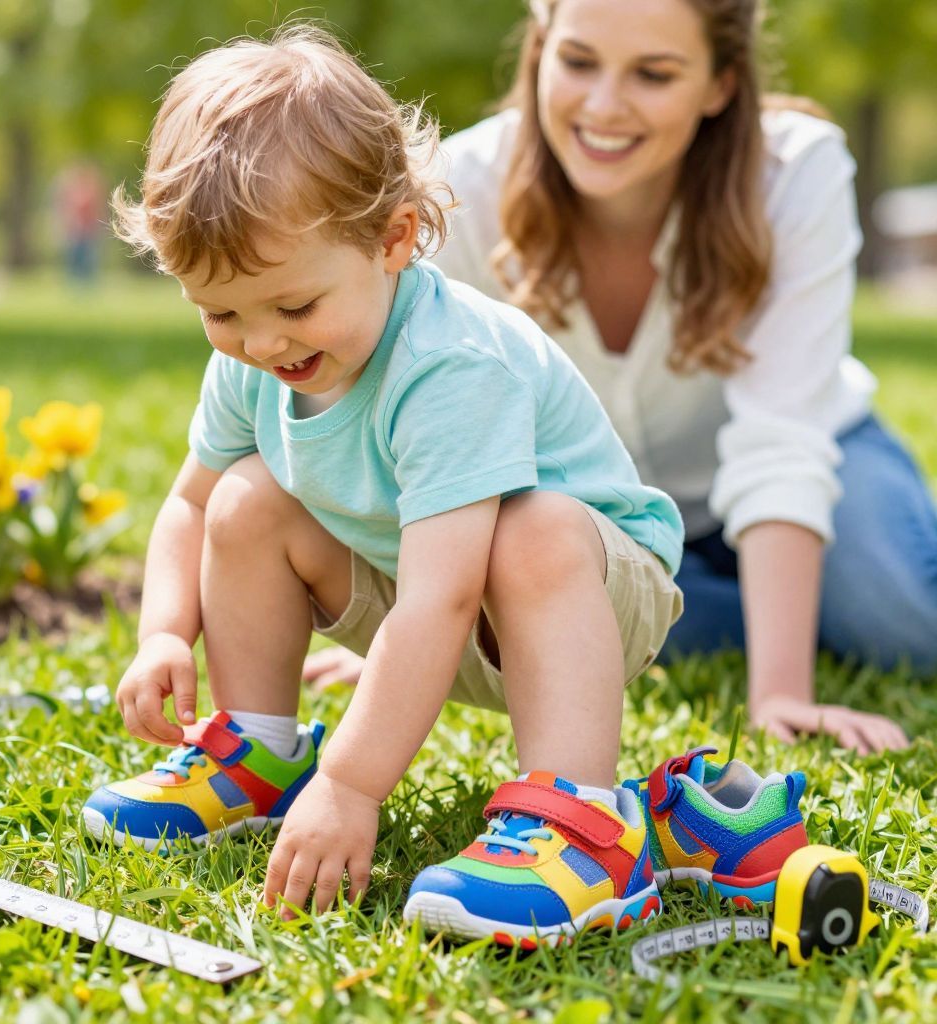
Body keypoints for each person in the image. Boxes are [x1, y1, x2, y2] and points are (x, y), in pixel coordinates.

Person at [81, 28, 686, 941]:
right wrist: (163, 631)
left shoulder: (448, 368)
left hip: (582, 597)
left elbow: (444, 600)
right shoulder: (257, 353)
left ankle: (579, 825)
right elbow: (192, 504)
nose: (263, 341)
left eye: (294, 306)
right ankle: (259, 757)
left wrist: (355, 786)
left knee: (531, 529)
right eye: (221, 312)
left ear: (395, 238)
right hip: (419, 583)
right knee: (247, 496)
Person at [306, 0, 927, 755]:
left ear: (721, 84)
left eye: (654, 74)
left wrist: (781, 694)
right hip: (611, 517)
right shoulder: (456, 185)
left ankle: (800, 611)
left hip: (811, 462)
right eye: (578, 61)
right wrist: (417, 625)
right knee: (590, 618)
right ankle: (776, 610)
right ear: (540, 47)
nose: (603, 106)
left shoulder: (799, 170)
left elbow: (783, 442)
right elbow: (415, 410)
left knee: (901, 623)